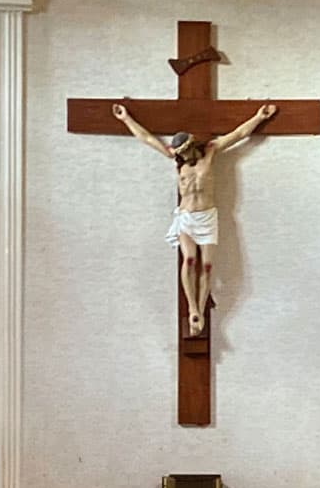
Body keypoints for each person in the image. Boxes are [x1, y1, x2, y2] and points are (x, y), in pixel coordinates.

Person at [112, 101, 276, 334]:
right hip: (187, 217)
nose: (181, 156)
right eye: (178, 153)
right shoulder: (178, 160)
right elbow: (148, 139)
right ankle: (193, 310)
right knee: (189, 260)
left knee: (207, 266)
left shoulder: (210, 151)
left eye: (184, 151)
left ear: (192, 146)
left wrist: (259, 117)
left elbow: (239, 134)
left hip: (207, 217)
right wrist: (126, 118)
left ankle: (200, 307)